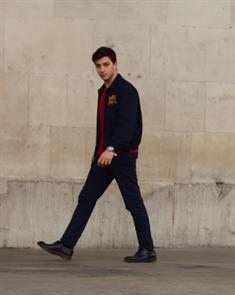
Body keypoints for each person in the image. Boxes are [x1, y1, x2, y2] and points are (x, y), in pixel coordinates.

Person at [37, 46, 156, 263]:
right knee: (86, 197)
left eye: (106, 64)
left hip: (121, 156)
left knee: (132, 201)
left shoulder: (126, 91)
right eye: (98, 66)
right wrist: (100, 152)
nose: (102, 69)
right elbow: (104, 128)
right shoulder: (104, 91)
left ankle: (147, 250)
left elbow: (127, 126)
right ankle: (66, 245)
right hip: (103, 157)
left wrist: (112, 148)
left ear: (115, 64)